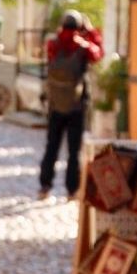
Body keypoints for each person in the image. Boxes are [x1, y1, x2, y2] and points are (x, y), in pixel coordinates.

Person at [39, 11, 103, 201]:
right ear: (79, 27)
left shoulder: (52, 44)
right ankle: (71, 190)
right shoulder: (83, 46)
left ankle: (45, 185)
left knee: (51, 146)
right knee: (74, 150)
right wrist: (90, 32)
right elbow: (98, 53)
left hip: (55, 103)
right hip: (76, 105)